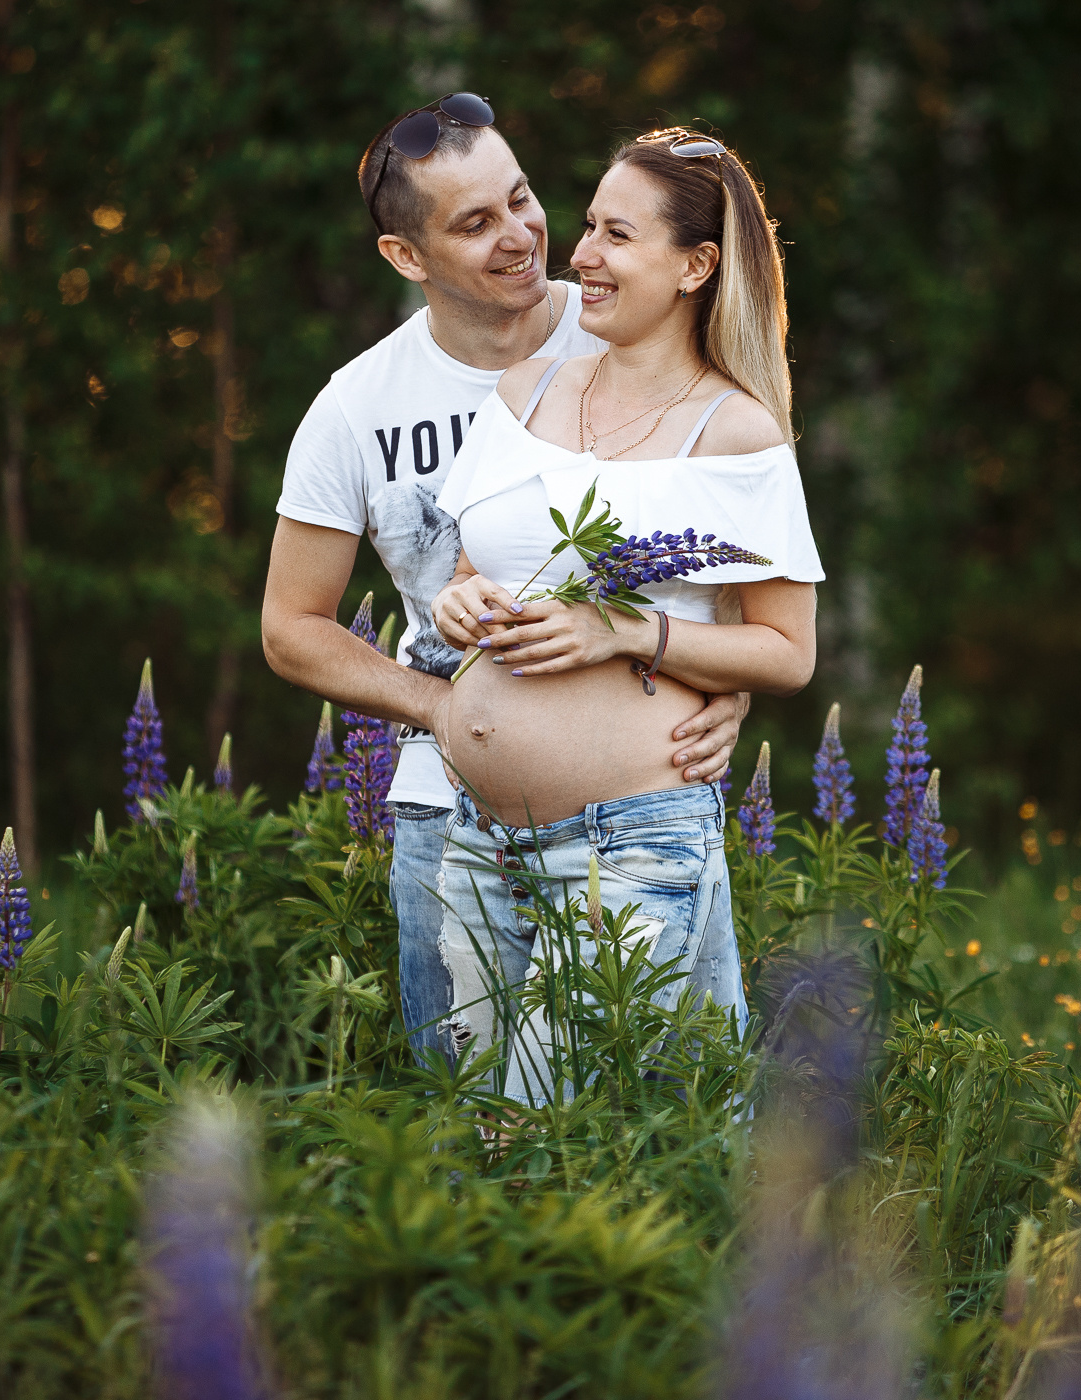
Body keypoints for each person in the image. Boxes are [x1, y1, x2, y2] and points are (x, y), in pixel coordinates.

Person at [261, 97, 751, 1067]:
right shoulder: (358, 406)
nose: (523, 236)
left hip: (644, 813)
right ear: (407, 258)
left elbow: (734, 539)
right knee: (474, 1122)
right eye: (475, 223)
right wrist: (437, 708)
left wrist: (728, 681)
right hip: (450, 819)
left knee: (673, 1116)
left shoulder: (629, 326)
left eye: (522, 199)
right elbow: (291, 626)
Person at [428, 127, 824, 1104]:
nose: (581, 256)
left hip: (630, 841)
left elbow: (786, 650)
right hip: (478, 838)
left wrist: (631, 630)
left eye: (616, 236)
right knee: (485, 1135)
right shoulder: (523, 391)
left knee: (539, 1130)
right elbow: (474, 569)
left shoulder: (733, 429)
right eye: (589, 226)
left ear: (696, 266)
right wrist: (458, 598)